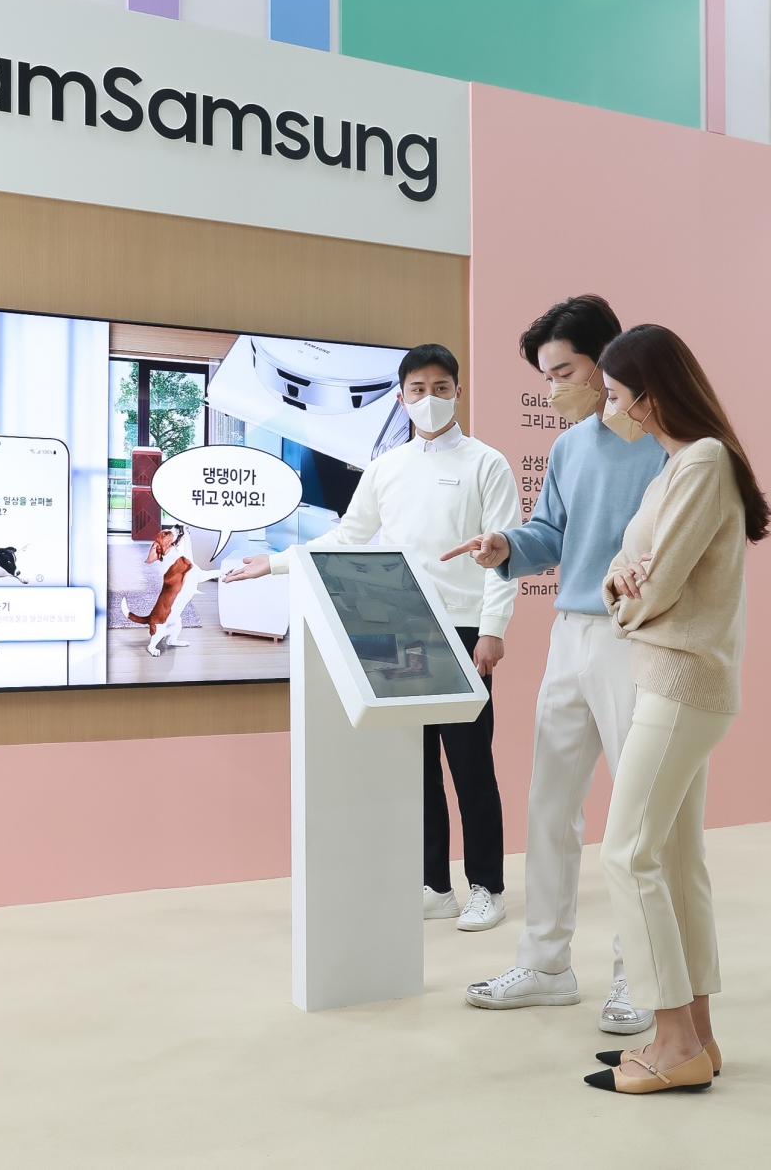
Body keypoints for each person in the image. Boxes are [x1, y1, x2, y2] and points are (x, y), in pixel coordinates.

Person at [224, 344, 520, 930]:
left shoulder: (488, 463)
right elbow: (348, 538)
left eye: (440, 388)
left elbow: (503, 554)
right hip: (404, 626)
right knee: (416, 767)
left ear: (458, 392)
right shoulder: (387, 467)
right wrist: (275, 562)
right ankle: (435, 884)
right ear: (401, 398)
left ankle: (488, 885)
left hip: (464, 630)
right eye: (417, 390)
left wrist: (493, 631)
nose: (429, 399)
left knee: (471, 767)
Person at [443, 296, 667, 1035]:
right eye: (545, 376)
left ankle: (643, 978)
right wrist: (506, 546)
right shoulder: (571, 447)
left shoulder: (669, 444)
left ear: (609, 362)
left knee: (638, 818)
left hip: (638, 637)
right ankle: (545, 965)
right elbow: (550, 532)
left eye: (564, 372)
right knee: (549, 805)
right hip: (570, 636)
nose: (552, 389)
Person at [581, 325, 767, 1093]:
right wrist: (622, 582)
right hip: (677, 678)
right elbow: (626, 569)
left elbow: (655, 587)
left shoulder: (701, 462)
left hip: (681, 681)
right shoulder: (675, 466)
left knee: (627, 853)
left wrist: (626, 597)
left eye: (615, 395)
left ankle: (672, 1044)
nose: (609, 409)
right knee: (676, 858)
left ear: (650, 395)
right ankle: (699, 1036)